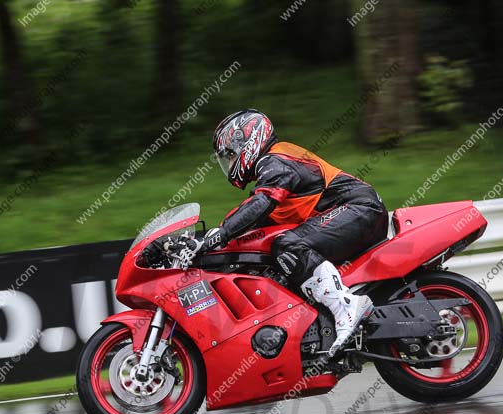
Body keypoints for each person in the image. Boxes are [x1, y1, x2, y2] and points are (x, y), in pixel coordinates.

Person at [150, 109, 389, 356]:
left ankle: (346, 308)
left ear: (250, 140)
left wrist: (219, 234)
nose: (230, 164)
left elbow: (259, 204)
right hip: (350, 213)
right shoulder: (270, 174)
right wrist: (195, 243)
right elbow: (246, 224)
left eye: (230, 155)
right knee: (273, 253)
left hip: (359, 208)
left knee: (287, 245)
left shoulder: (277, 160)